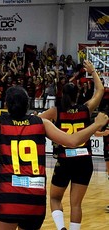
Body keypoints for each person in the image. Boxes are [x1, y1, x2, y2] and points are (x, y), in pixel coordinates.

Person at [0, 86, 108, 230]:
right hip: (35, 201)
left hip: (8, 198)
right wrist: (97, 124)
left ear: (7, 104)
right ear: (27, 104)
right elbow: (73, 140)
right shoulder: (41, 123)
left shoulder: (0, 123)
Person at [38, 60, 104, 230]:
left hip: (65, 159)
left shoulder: (56, 111)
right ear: (77, 94)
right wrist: (93, 71)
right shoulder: (86, 108)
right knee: (76, 204)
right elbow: (101, 90)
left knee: (54, 199)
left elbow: (37, 121)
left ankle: (61, 229)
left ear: (61, 94)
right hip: (84, 160)